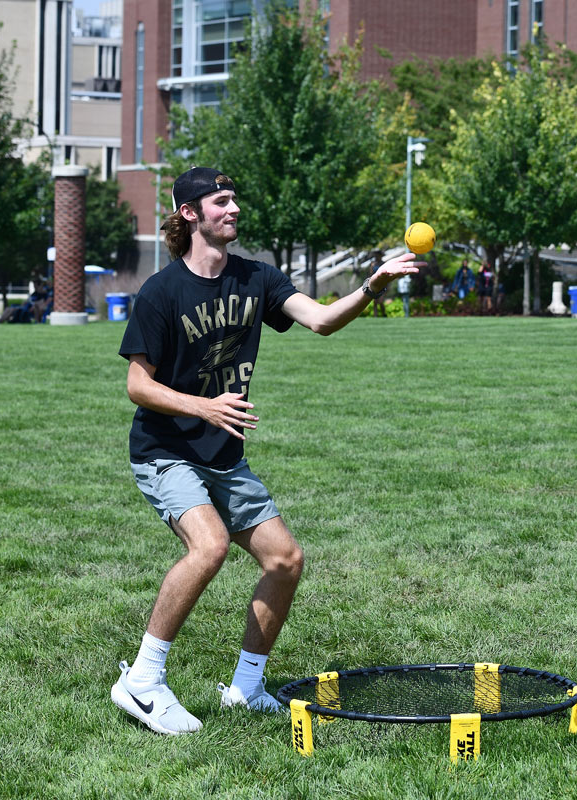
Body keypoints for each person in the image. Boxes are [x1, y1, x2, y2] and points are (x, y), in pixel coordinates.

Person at [111, 167, 421, 736]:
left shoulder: (258, 278)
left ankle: (246, 688)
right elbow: (138, 384)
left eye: (234, 199)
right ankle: (143, 680)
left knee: (284, 560)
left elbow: (323, 321)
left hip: (223, 454)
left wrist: (373, 285)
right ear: (190, 214)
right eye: (220, 201)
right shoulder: (162, 292)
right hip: (165, 447)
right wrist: (203, 407)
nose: (233, 209)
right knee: (209, 547)